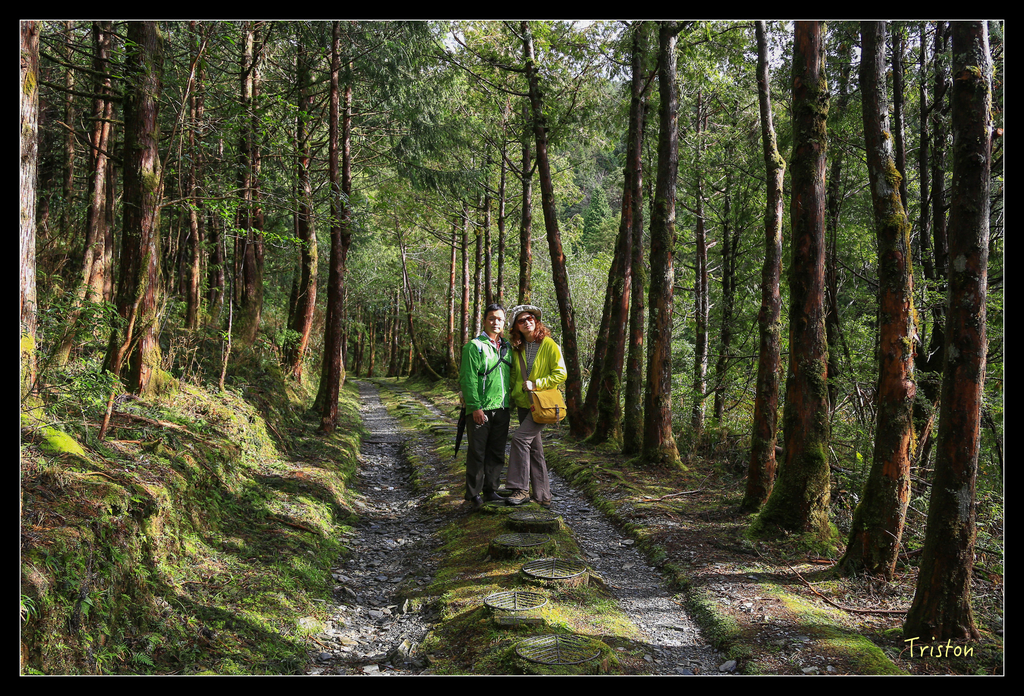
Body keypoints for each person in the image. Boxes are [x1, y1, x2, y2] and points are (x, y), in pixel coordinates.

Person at [505, 304, 567, 507]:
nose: (527, 322)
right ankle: (543, 495)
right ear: (516, 327)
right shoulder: (517, 348)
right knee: (534, 448)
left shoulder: (548, 344)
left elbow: (561, 373)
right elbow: (514, 376)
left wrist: (537, 384)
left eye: (530, 318)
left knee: (520, 439)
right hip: (524, 403)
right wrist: (511, 397)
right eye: (522, 320)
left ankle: (520, 489)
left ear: (536, 321)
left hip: (543, 404)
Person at [459, 303, 512, 510]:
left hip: (502, 407)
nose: (495, 322)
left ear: (504, 322)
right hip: (481, 408)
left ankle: (491, 490)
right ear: (484, 320)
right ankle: (473, 494)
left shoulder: (507, 347)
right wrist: (475, 407)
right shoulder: (475, 346)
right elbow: (468, 378)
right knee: (477, 452)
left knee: (497, 452)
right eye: (491, 318)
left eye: (499, 319)